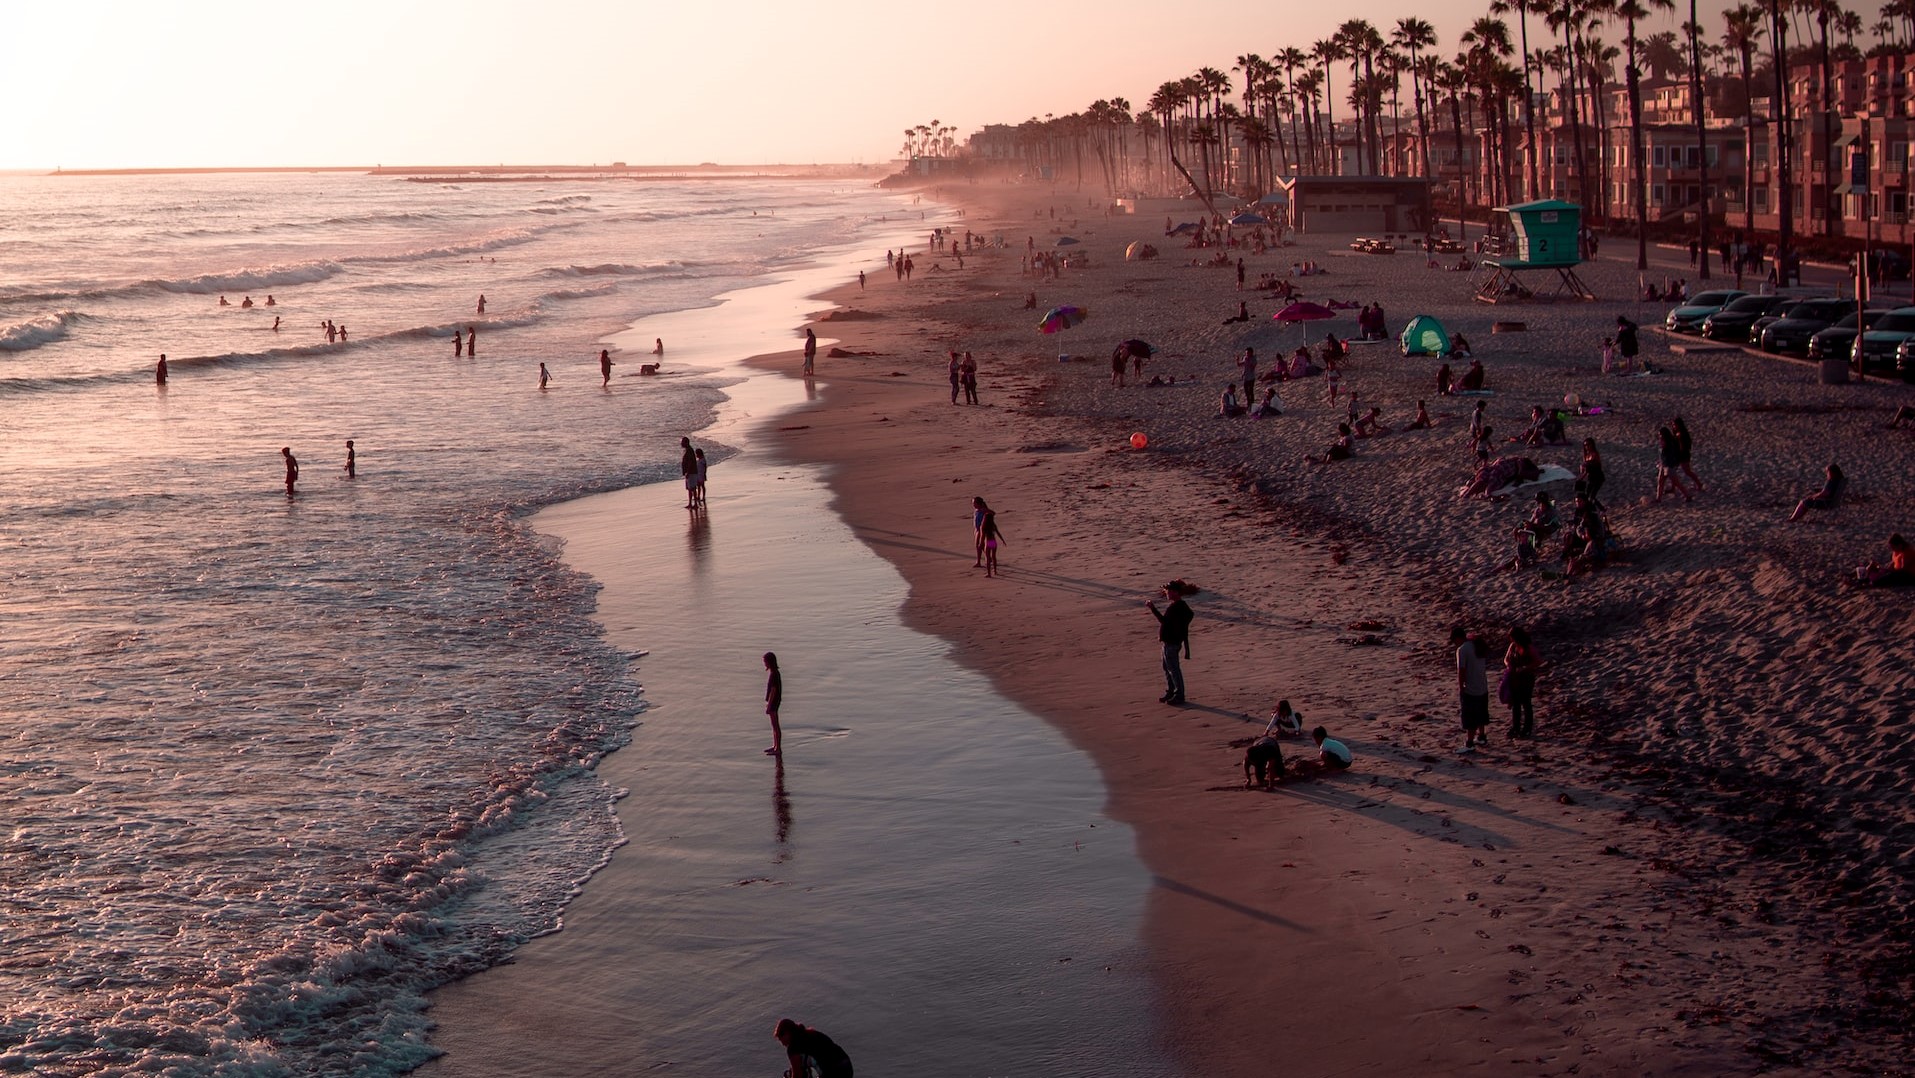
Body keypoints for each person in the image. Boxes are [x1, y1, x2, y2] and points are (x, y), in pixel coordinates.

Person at [1146, 582, 1194, 706]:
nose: (1166, 592)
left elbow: (1164, 621)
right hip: (1170, 643)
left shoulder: (1177, 607)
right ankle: (1172, 692)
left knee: (1173, 669)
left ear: (1176, 592)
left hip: (1172, 643)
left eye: (1168, 591)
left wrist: (1153, 608)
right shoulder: (1179, 606)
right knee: (1168, 669)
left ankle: (1179, 695)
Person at [773, 1018, 851, 1078]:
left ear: (787, 1033)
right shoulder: (810, 1033)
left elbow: (797, 1075)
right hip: (847, 1066)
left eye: (780, 1039)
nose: (782, 1044)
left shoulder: (793, 1047)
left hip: (834, 1072)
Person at [1454, 627, 1490, 752]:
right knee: (1481, 712)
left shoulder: (1462, 650)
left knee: (1470, 716)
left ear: (1458, 638)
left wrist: (1461, 687)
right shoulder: (1477, 644)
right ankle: (1481, 736)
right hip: (1482, 685)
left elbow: (1461, 670)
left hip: (1471, 687)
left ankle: (1469, 743)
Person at [1503, 627, 1541, 739]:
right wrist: (1508, 665)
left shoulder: (1528, 647)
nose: (1511, 640)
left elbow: (1538, 661)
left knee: (1526, 703)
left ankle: (1527, 728)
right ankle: (1516, 727)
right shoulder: (1513, 646)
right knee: (1516, 703)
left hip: (1526, 678)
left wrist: (1525, 668)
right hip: (1515, 677)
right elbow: (1505, 659)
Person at [1654, 424, 1692, 503]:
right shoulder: (1667, 442)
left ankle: (1688, 496)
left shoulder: (1669, 443)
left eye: (1660, 435)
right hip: (1663, 465)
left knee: (1677, 483)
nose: (1659, 436)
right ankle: (1658, 498)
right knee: (1660, 482)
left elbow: (1667, 453)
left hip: (1669, 466)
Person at [1671, 416, 1703, 491]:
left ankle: (1699, 484)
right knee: (1673, 471)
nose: (1673, 426)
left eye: (1674, 425)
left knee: (1687, 471)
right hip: (1680, 454)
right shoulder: (1677, 433)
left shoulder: (1682, 434)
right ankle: (1673, 488)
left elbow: (1682, 447)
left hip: (1683, 455)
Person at [762, 653, 784, 756]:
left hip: (774, 703)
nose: (764, 664)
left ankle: (778, 748)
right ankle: (775, 746)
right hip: (773, 702)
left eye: (765, 661)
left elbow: (773, 691)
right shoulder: (774, 673)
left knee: (775, 726)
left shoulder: (774, 674)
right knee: (774, 726)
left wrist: (769, 705)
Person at [1579, 438, 1606, 505]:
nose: (1587, 446)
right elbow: (1586, 470)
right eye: (1585, 445)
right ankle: (1598, 509)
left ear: (1592, 445)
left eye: (1588, 444)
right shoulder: (1586, 456)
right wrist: (1581, 477)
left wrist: (1585, 465)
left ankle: (1601, 509)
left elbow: (1594, 466)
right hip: (1591, 478)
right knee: (1587, 495)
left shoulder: (1595, 454)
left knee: (1591, 496)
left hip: (1598, 477)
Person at [980, 508, 1006, 577]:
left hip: (987, 542)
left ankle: (989, 573)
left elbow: (982, 537)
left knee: (987, 558)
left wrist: (981, 544)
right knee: (994, 556)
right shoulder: (993, 525)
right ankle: (995, 570)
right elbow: (998, 533)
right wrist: (1002, 540)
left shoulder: (983, 527)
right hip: (993, 541)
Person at [679, 436, 698, 509]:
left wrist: (688, 472)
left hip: (691, 472)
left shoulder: (689, 450)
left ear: (686, 442)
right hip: (690, 472)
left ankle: (694, 504)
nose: (681, 443)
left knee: (692, 488)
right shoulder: (687, 450)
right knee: (690, 489)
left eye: (682, 442)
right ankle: (691, 503)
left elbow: (690, 462)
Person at [971, 496, 991, 566]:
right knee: (978, 546)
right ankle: (980, 561)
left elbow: (992, 513)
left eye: (974, 503)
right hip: (977, 529)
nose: (973, 505)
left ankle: (983, 560)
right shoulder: (976, 510)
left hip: (982, 530)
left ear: (978, 503)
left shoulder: (983, 510)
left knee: (981, 545)